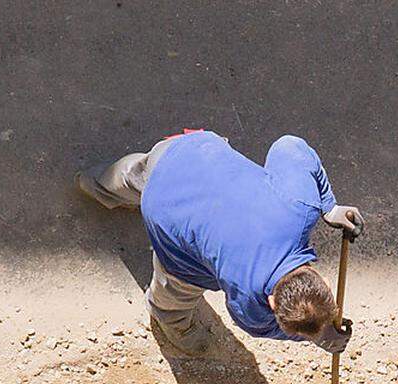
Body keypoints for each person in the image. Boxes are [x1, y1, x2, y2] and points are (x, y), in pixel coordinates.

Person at [76, 130, 363, 356]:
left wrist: (328, 206)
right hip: (165, 215)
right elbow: (260, 327)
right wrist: (318, 337)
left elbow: (289, 146)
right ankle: (172, 322)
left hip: (188, 152)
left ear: (322, 281)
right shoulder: (249, 299)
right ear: (272, 303)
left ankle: (94, 183)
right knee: (176, 289)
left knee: (141, 172)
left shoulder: (301, 205)